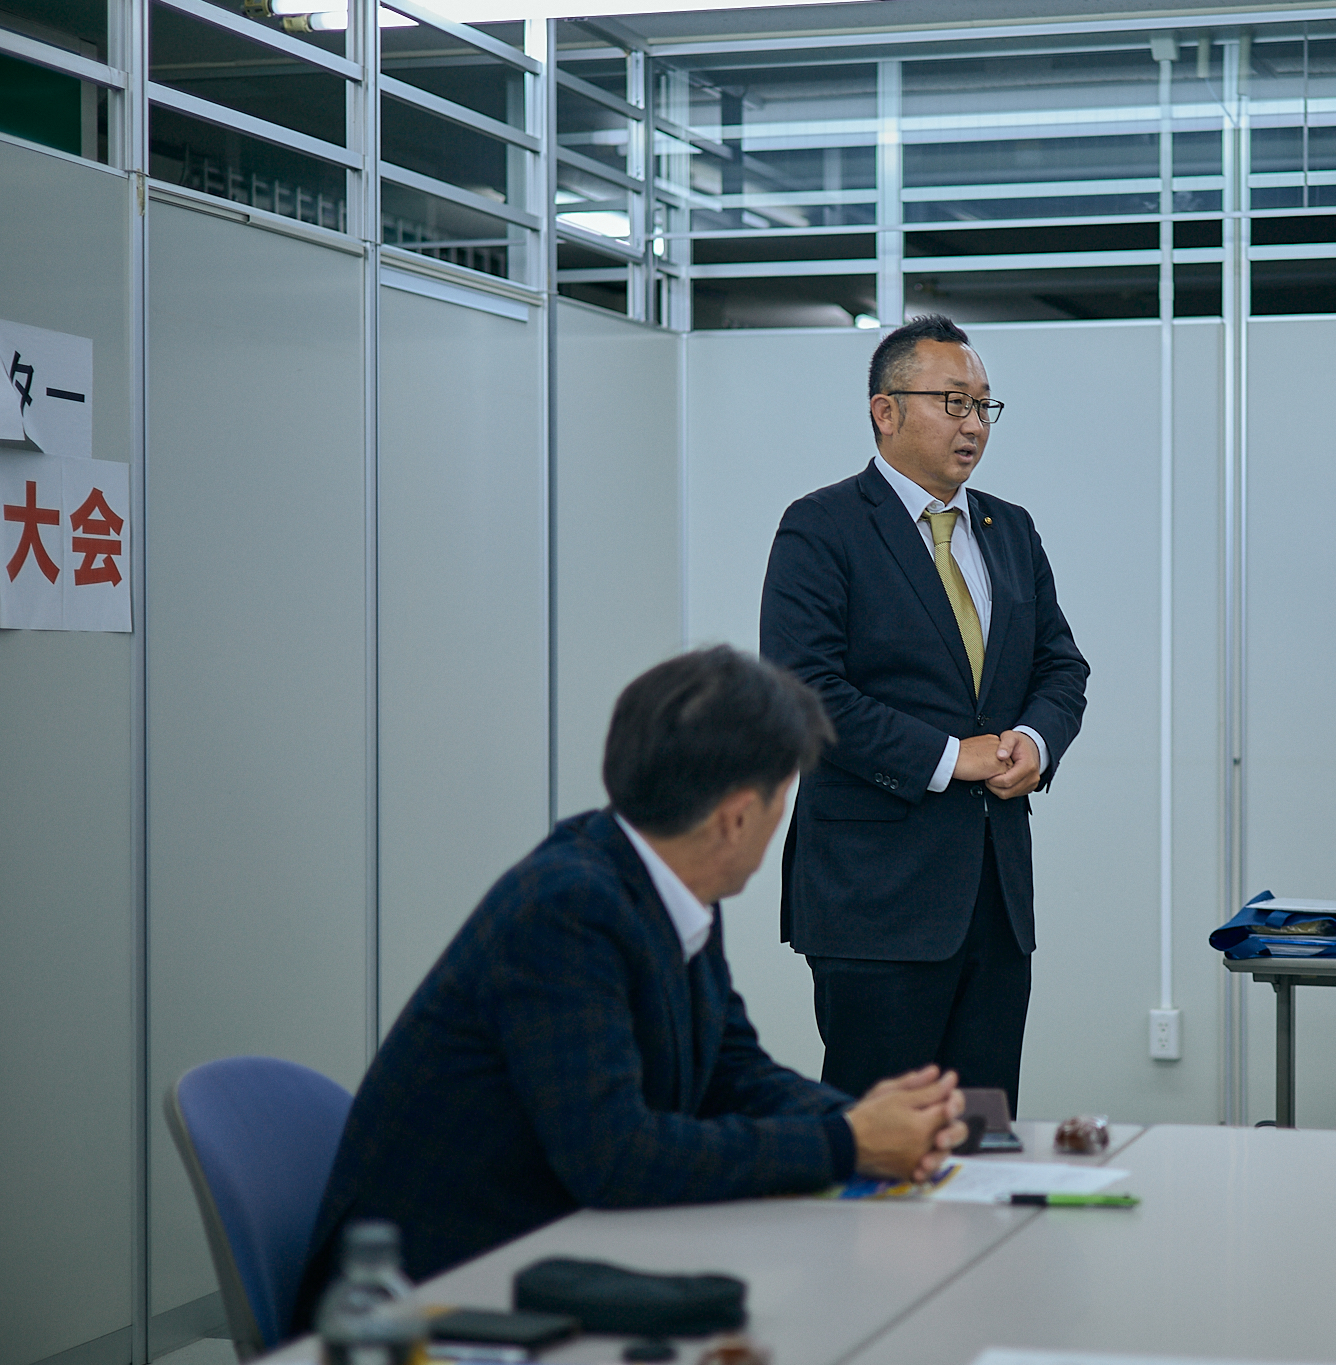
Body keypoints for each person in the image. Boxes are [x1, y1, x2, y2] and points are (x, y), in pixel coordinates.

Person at [292, 647, 967, 1322]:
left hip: (550, 1256)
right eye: (781, 801)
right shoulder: (568, 908)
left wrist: (856, 1120)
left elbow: (732, 1070)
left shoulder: (668, 882)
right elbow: (616, 1158)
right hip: (432, 1297)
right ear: (735, 818)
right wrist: (849, 1144)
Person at [759, 314, 1089, 1117]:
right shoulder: (822, 526)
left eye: (984, 405)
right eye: (953, 401)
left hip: (994, 898)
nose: (974, 424)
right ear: (886, 410)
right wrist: (952, 756)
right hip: (875, 904)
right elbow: (804, 691)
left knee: (979, 1131)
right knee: (883, 1147)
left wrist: (1034, 740)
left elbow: (1060, 664)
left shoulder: (1008, 529)